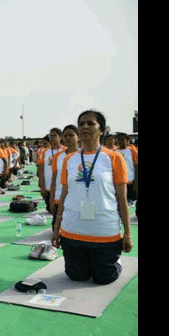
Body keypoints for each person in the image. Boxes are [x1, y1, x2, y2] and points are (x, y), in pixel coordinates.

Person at [52, 110, 133, 285]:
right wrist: (57, 227)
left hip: (104, 232)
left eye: (91, 123)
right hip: (72, 231)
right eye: (81, 124)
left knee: (104, 278)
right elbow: (65, 195)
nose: (85, 127)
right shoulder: (70, 160)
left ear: (101, 130)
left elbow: (121, 199)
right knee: (76, 276)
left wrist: (128, 233)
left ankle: (115, 261)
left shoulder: (114, 158)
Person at [38, 128, 65, 212]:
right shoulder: (45, 152)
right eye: (50, 136)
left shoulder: (65, 151)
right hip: (48, 186)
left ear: (60, 137)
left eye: (54, 135)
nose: (52, 138)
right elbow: (41, 170)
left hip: (61, 186)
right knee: (51, 210)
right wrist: (42, 185)